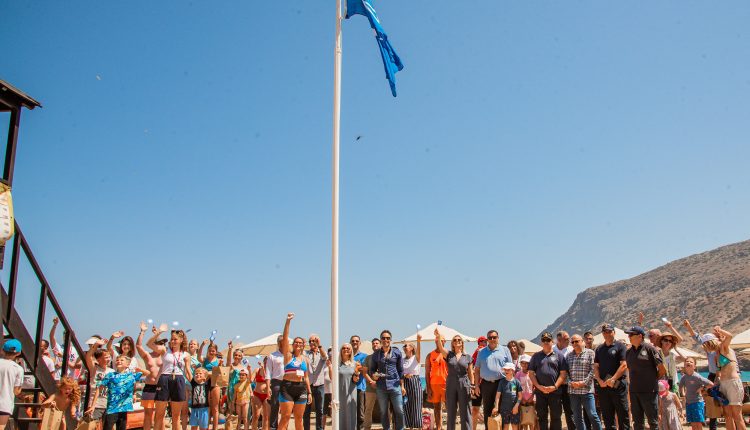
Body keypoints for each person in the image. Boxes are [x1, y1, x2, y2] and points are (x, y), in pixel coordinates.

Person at [147, 325, 192, 430]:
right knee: (159, 414)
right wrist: (159, 332)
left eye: (175, 339)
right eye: (171, 339)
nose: (173, 341)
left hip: (179, 379)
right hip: (165, 379)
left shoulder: (186, 354)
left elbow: (188, 371)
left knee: (176, 416)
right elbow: (149, 344)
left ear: (181, 340)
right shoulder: (165, 350)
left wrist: (194, 384)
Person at [89, 355, 151, 430]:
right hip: (112, 408)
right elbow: (99, 388)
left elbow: (148, 373)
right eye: (117, 360)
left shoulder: (131, 375)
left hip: (124, 408)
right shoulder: (110, 375)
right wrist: (93, 405)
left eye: (122, 360)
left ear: (128, 364)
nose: (119, 361)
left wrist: (139, 369)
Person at [624, 326, 665, 430]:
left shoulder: (650, 349)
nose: (629, 337)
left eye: (631, 335)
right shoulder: (628, 352)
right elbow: (629, 370)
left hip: (649, 392)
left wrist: (652, 380)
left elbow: (662, 369)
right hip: (634, 392)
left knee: (653, 422)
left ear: (640, 336)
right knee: (637, 422)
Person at [277, 313, 312, 430]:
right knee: (285, 417)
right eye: (296, 342)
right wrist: (288, 321)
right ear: (292, 345)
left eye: (300, 343)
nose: (298, 344)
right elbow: (285, 337)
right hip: (287, 387)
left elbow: (306, 377)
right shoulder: (288, 356)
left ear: (303, 346)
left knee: (299, 418)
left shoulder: (305, 359)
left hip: (301, 388)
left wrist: (310, 392)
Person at [434, 329, 474, 430]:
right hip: (451, 383)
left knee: (465, 410)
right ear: (452, 343)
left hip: (464, 383)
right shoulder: (449, 355)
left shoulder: (467, 357)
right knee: (451, 411)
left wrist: (472, 386)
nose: (457, 341)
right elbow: (440, 347)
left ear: (462, 343)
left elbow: (471, 373)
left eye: (459, 340)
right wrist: (438, 336)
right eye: (455, 340)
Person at [682, 320, 718, 430]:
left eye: (706, 343)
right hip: (712, 375)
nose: (704, 345)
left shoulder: (720, 350)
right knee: (712, 403)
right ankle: (713, 427)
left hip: (719, 376)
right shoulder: (709, 351)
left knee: (721, 403)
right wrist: (689, 327)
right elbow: (696, 338)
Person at [472, 330, 513, 429]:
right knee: (487, 410)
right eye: (490, 338)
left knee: (502, 409)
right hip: (486, 384)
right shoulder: (481, 352)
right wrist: (476, 385)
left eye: (494, 337)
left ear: (498, 338)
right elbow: (477, 370)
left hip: (502, 383)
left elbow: (511, 367)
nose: (492, 339)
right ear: (487, 339)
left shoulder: (505, 350)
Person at [708, 326, 746, 430]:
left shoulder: (725, 347)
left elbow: (730, 336)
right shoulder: (716, 355)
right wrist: (715, 384)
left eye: (718, 336)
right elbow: (718, 372)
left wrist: (720, 330)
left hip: (733, 382)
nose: (718, 338)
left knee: (737, 415)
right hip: (723, 384)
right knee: (727, 415)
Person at [528, 332, 568, 430]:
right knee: (542, 417)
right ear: (541, 342)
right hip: (540, 392)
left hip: (555, 392)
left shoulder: (559, 356)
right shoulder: (535, 356)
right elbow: (531, 373)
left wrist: (555, 387)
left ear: (552, 341)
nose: (546, 342)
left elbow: (563, 374)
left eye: (548, 340)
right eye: (544, 340)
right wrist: (538, 386)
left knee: (556, 417)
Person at [593, 324, 630, 430]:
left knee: (622, 414)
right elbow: (596, 366)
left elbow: (624, 365)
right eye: (605, 332)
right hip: (603, 387)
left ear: (614, 332)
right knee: (607, 416)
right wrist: (599, 380)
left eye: (609, 331)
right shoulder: (599, 349)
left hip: (618, 385)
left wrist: (613, 379)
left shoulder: (620, 346)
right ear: (602, 334)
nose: (607, 334)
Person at [369, 329, 405, 430]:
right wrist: (374, 376)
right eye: (383, 338)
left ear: (390, 340)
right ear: (381, 340)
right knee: (383, 411)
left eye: (388, 338)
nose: (386, 340)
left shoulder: (397, 352)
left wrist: (402, 386)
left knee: (399, 410)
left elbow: (401, 371)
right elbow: (372, 370)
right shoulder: (376, 354)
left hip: (395, 385)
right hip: (381, 387)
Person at [567, 334, 601, 430]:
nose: (574, 343)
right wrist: (570, 383)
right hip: (573, 391)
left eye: (576, 341)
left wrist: (584, 383)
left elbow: (593, 370)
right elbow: (566, 372)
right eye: (572, 342)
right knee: (577, 417)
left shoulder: (590, 353)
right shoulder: (569, 356)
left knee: (593, 415)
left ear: (582, 341)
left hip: (587, 391)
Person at [137, 322, 162, 430]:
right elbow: (138, 346)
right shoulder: (148, 355)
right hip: (149, 387)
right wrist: (142, 331)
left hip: (161, 387)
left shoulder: (165, 356)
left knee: (160, 416)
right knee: (148, 415)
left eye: (161, 343)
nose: (159, 345)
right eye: (157, 343)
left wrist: (157, 333)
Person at [84, 338, 115, 423]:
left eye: (109, 357)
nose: (108, 359)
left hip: (108, 403)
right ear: (98, 359)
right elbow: (88, 356)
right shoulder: (94, 369)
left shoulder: (112, 371)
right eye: (106, 357)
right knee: (91, 424)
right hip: (95, 403)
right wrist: (96, 345)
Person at [678, 357, 713, 430]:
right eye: (687, 361)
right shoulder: (684, 377)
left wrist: (702, 388)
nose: (688, 362)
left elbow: (711, 384)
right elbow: (680, 386)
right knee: (693, 423)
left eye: (691, 362)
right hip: (688, 403)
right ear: (684, 365)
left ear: (694, 367)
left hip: (697, 403)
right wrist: (683, 394)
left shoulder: (697, 376)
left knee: (698, 423)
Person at [304, 334, 328, 430]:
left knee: (320, 410)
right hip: (308, 385)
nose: (312, 343)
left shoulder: (321, 352)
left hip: (319, 385)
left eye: (313, 341)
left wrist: (319, 346)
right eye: (310, 341)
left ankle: (319, 428)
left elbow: (325, 357)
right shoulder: (305, 353)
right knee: (306, 411)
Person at [0, 339, 24, 430]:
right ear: (18, 353)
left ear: (3, 350)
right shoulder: (18, 369)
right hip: (4, 403)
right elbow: (16, 391)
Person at [553, 332, 575, 430]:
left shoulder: (571, 350)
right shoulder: (552, 349)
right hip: (555, 385)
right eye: (566, 339)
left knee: (570, 411)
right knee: (555, 411)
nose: (568, 340)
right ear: (559, 340)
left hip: (567, 385)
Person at [198, 340, 221, 430]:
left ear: (216, 351)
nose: (211, 352)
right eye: (210, 351)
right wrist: (202, 345)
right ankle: (206, 427)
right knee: (206, 407)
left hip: (215, 384)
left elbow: (221, 372)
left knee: (215, 408)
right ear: (208, 351)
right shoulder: (205, 360)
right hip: (205, 383)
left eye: (213, 351)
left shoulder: (218, 361)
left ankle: (215, 428)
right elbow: (198, 356)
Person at [339, 343, 363, 430]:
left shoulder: (355, 364)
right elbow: (331, 378)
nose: (346, 349)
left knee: (351, 414)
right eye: (344, 348)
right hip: (339, 393)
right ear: (341, 350)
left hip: (351, 393)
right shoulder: (336, 364)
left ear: (351, 351)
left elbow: (356, 380)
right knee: (340, 414)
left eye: (348, 348)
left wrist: (356, 372)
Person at [426, 333, 448, 430]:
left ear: (444, 342)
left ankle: (449, 426)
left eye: (441, 340)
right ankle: (439, 427)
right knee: (437, 407)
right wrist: (428, 388)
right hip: (434, 384)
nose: (438, 342)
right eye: (437, 340)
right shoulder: (430, 355)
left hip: (446, 384)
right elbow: (427, 373)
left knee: (449, 406)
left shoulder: (448, 354)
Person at [492, 363, 522, 430]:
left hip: (514, 409)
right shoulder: (502, 382)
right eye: (505, 369)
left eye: (508, 369)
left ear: (513, 370)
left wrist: (516, 406)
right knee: (505, 427)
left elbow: (520, 396)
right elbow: (498, 396)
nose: (506, 371)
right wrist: (496, 406)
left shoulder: (517, 382)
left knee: (515, 427)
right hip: (504, 409)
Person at [402, 335, 423, 429]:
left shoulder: (415, 358)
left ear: (411, 348)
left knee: (416, 404)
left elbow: (419, 352)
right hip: (404, 382)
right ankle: (409, 426)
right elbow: (400, 373)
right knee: (406, 404)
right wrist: (404, 376)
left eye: (406, 345)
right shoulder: (402, 360)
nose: (404, 347)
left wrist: (418, 341)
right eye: (404, 346)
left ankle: (417, 426)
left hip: (414, 382)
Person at [266, 335, 286, 430]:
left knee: (286, 406)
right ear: (278, 343)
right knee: (275, 405)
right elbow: (268, 372)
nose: (283, 343)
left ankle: (284, 427)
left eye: (284, 341)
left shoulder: (290, 355)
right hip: (276, 382)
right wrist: (268, 387)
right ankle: (273, 427)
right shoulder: (272, 355)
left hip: (287, 382)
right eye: (281, 341)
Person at [362, 338, 381, 430]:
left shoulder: (384, 357)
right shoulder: (368, 358)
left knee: (386, 408)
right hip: (370, 387)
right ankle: (367, 427)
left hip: (383, 387)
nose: (375, 345)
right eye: (373, 343)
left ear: (380, 344)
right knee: (368, 409)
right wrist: (371, 382)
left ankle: (387, 427)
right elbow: (364, 372)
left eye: (377, 343)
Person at [350, 336, 368, 429]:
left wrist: (353, 367)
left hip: (360, 387)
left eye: (357, 341)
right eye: (353, 341)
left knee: (360, 414)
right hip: (348, 388)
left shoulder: (364, 356)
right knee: (349, 412)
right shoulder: (347, 354)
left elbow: (364, 369)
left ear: (360, 343)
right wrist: (356, 366)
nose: (355, 342)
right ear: (350, 342)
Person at [470, 336, 488, 430]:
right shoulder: (479, 350)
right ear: (479, 343)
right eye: (483, 341)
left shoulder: (480, 351)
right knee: (478, 408)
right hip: (482, 382)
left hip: (480, 382)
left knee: (476, 409)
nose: (485, 343)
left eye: (485, 341)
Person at [252, 357, 272, 430]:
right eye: (265, 362)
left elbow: (267, 378)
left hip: (267, 395)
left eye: (268, 362)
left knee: (266, 416)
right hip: (257, 394)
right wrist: (249, 370)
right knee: (256, 415)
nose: (266, 364)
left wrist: (264, 369)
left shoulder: (272, 371)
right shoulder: (257, 370)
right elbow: (250, 380)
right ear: (263, 362)